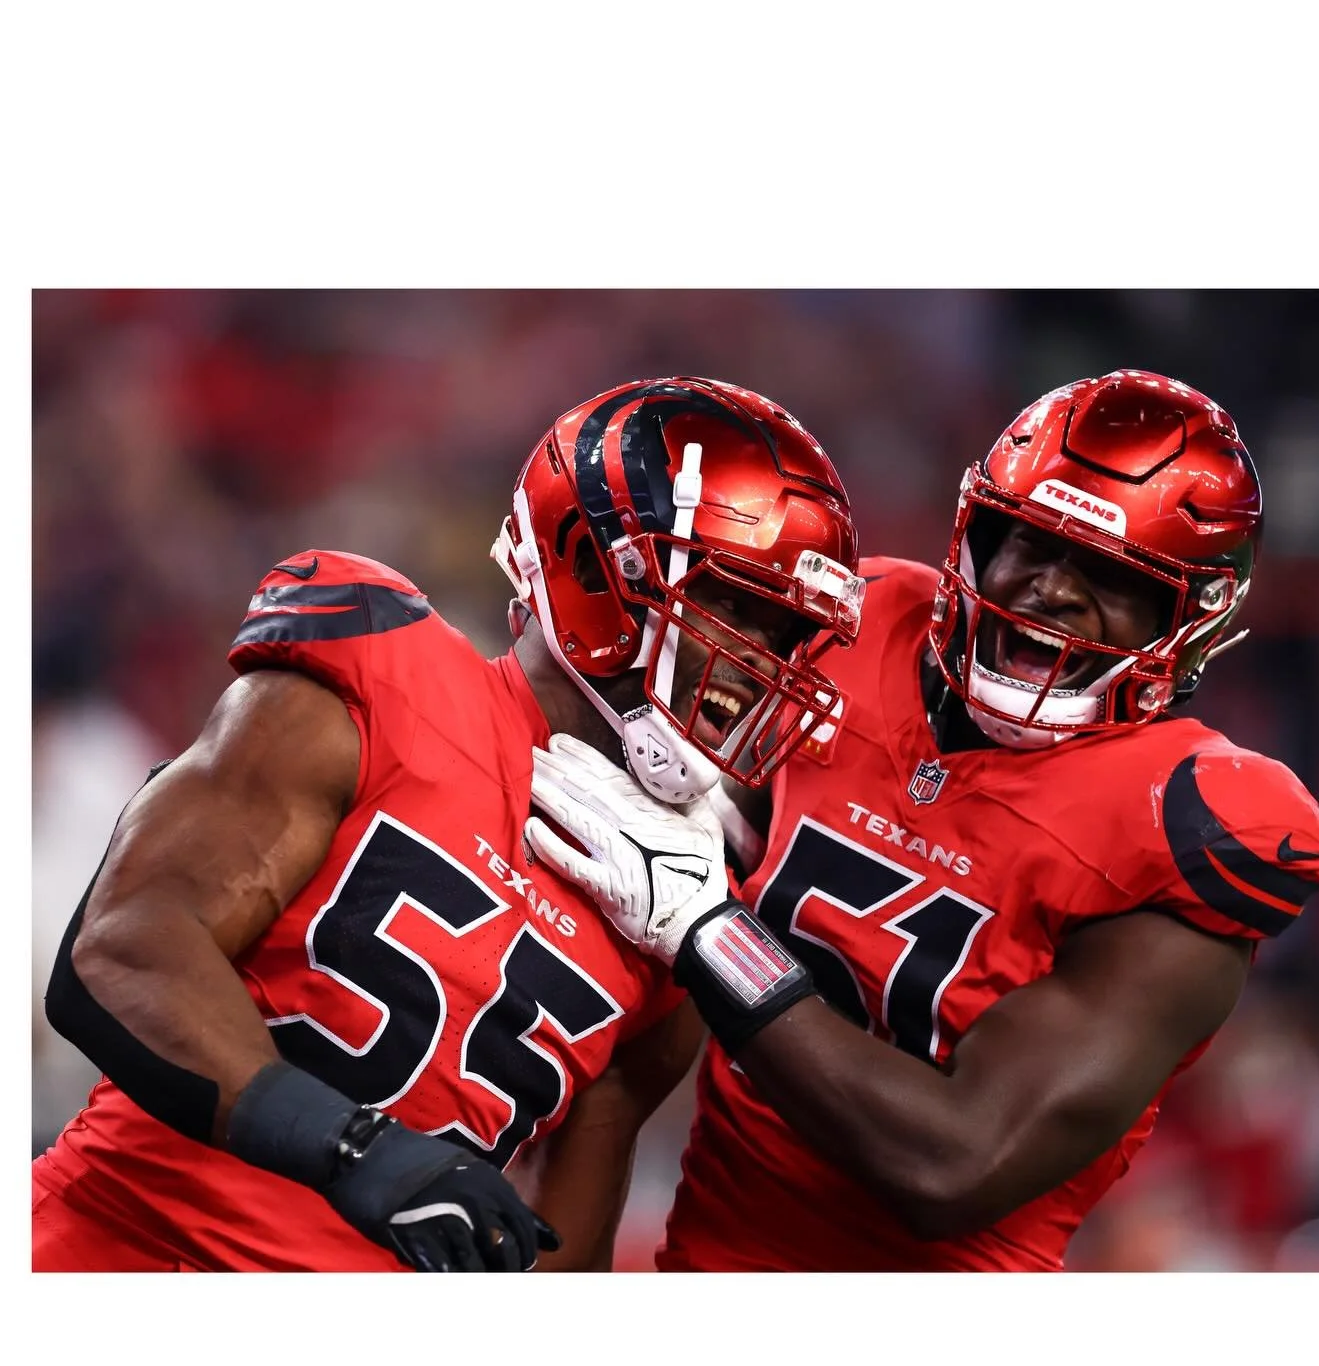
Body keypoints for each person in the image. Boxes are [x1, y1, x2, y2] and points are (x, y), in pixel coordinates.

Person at [34, 375, 865, 1272]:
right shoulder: (383, 672)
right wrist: (349, 1145)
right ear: (593, 567)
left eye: (786, 635)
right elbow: (120, 948)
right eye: (735, 606)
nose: (762, 664)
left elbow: (556, 1247)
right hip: (123, 1246)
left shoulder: (679, 899)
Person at [524, 369, 1319, 1271]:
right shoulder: (862, 622)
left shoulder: (1192, 820)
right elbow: (629, 831)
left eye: (1111, 573)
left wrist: (712, 932)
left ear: (1192, 619)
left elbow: (953, 1164)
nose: (1047, 590)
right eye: (1025, 540)